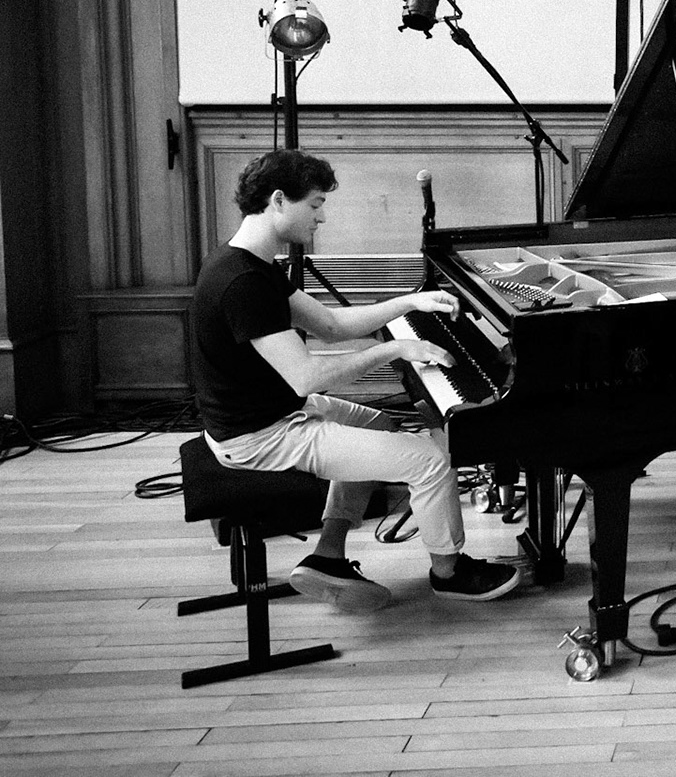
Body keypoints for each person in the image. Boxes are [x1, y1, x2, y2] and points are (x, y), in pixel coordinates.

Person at [188, 148, 521, 611]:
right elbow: (306, 376)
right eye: (316, 204)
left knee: (381, 426)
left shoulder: (248, 263)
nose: (321, 218)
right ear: (279, 200)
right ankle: (450, 571)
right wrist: (396, 348)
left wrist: (409, 303)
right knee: (428, 461)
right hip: (259, 436)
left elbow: (332, 326)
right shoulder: (242, 282)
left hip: (268, 415)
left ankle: (329, 555)